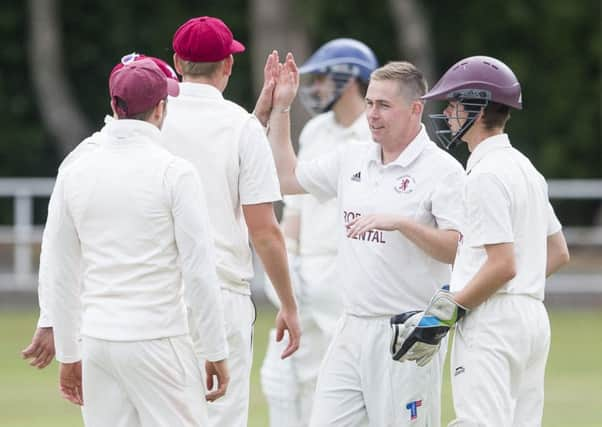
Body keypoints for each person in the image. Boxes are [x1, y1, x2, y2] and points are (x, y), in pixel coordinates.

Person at [267, 56, 466, 426]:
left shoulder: (443, 171)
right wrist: (281, 107)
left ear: (415, 109)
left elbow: (459, 248)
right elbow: (285, 177)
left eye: (384, 105)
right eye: (370, 103)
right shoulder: (352, 157)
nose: (372, 114)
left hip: (408, 332)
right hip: (351, 327)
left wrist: (404, 224)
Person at [46, 58, 229, 427]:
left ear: (115, 106)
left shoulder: (76, 171)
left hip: (97, 341)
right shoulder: (175, 172)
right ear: (161, 108)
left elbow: (61, 269)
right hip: (158, 337)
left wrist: (68, 353)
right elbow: (199, 272)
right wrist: (216, 349)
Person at [394, 56, 570, 427]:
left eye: (454, 104)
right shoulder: (526, 169)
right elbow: (557, 253)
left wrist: (451, 309)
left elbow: (502, 265)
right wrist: (506, 288)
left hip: (492, 322)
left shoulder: (484, 176)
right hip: (532, 319)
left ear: (476, 106)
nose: (449, 113)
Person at [161, 16, 301, 427]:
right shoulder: (240, 127)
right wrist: (290, 305)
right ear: (228, 66)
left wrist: (258, 116)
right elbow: (265, 231)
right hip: (220, 295)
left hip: (158, 294)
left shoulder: (153, 115)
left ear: (176, 62)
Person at [21, 53, 180, 370]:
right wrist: (52, 318)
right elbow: (58, 249)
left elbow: (56, 248)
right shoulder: (164, 163)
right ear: (158, 106)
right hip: (154, 330)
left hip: (101, 331)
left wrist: (52, 319)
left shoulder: (83, 158)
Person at [259, 38, 378, 427]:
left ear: (350, 79)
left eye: (324, 77)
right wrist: (289, 256)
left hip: (349, 273)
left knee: (343, 382)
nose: (316, 86)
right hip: (305, 270)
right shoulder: (315, 131)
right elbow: (297, 202)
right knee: (281, 379)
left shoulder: (373, 134)